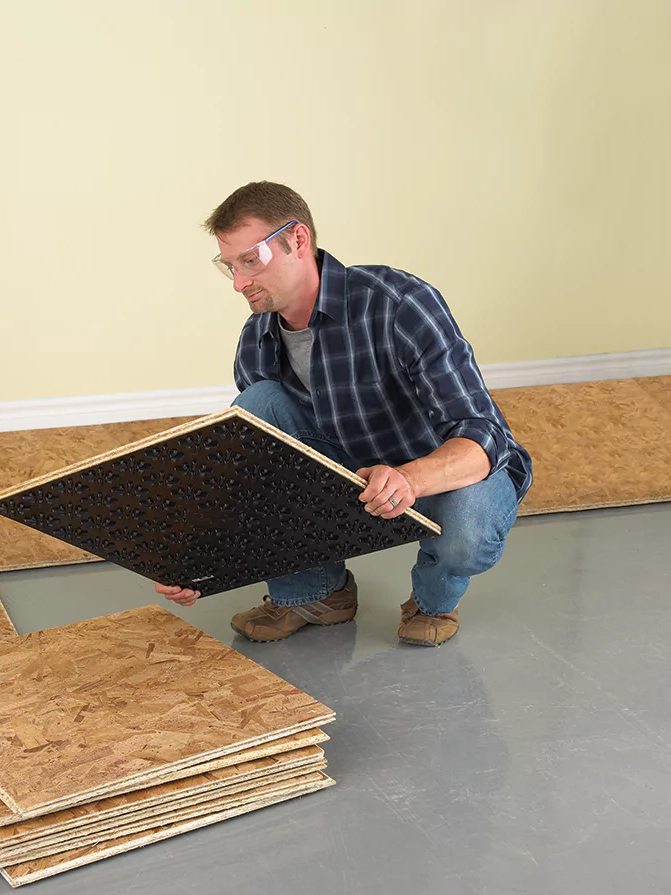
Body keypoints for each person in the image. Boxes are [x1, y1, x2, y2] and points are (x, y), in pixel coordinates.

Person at [155, 181, 532, 647]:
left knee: (469, 523)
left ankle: (433, 602)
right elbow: (251, 477)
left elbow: (483, 433)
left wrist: (409, 480)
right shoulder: (257, 338)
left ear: (298, 240)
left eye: (251, 260)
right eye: (229, 266)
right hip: (351, 475)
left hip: (440, 475)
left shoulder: (397, 304)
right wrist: (197, 562)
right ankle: (315, 594)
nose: (238, 283)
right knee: (256, 411)